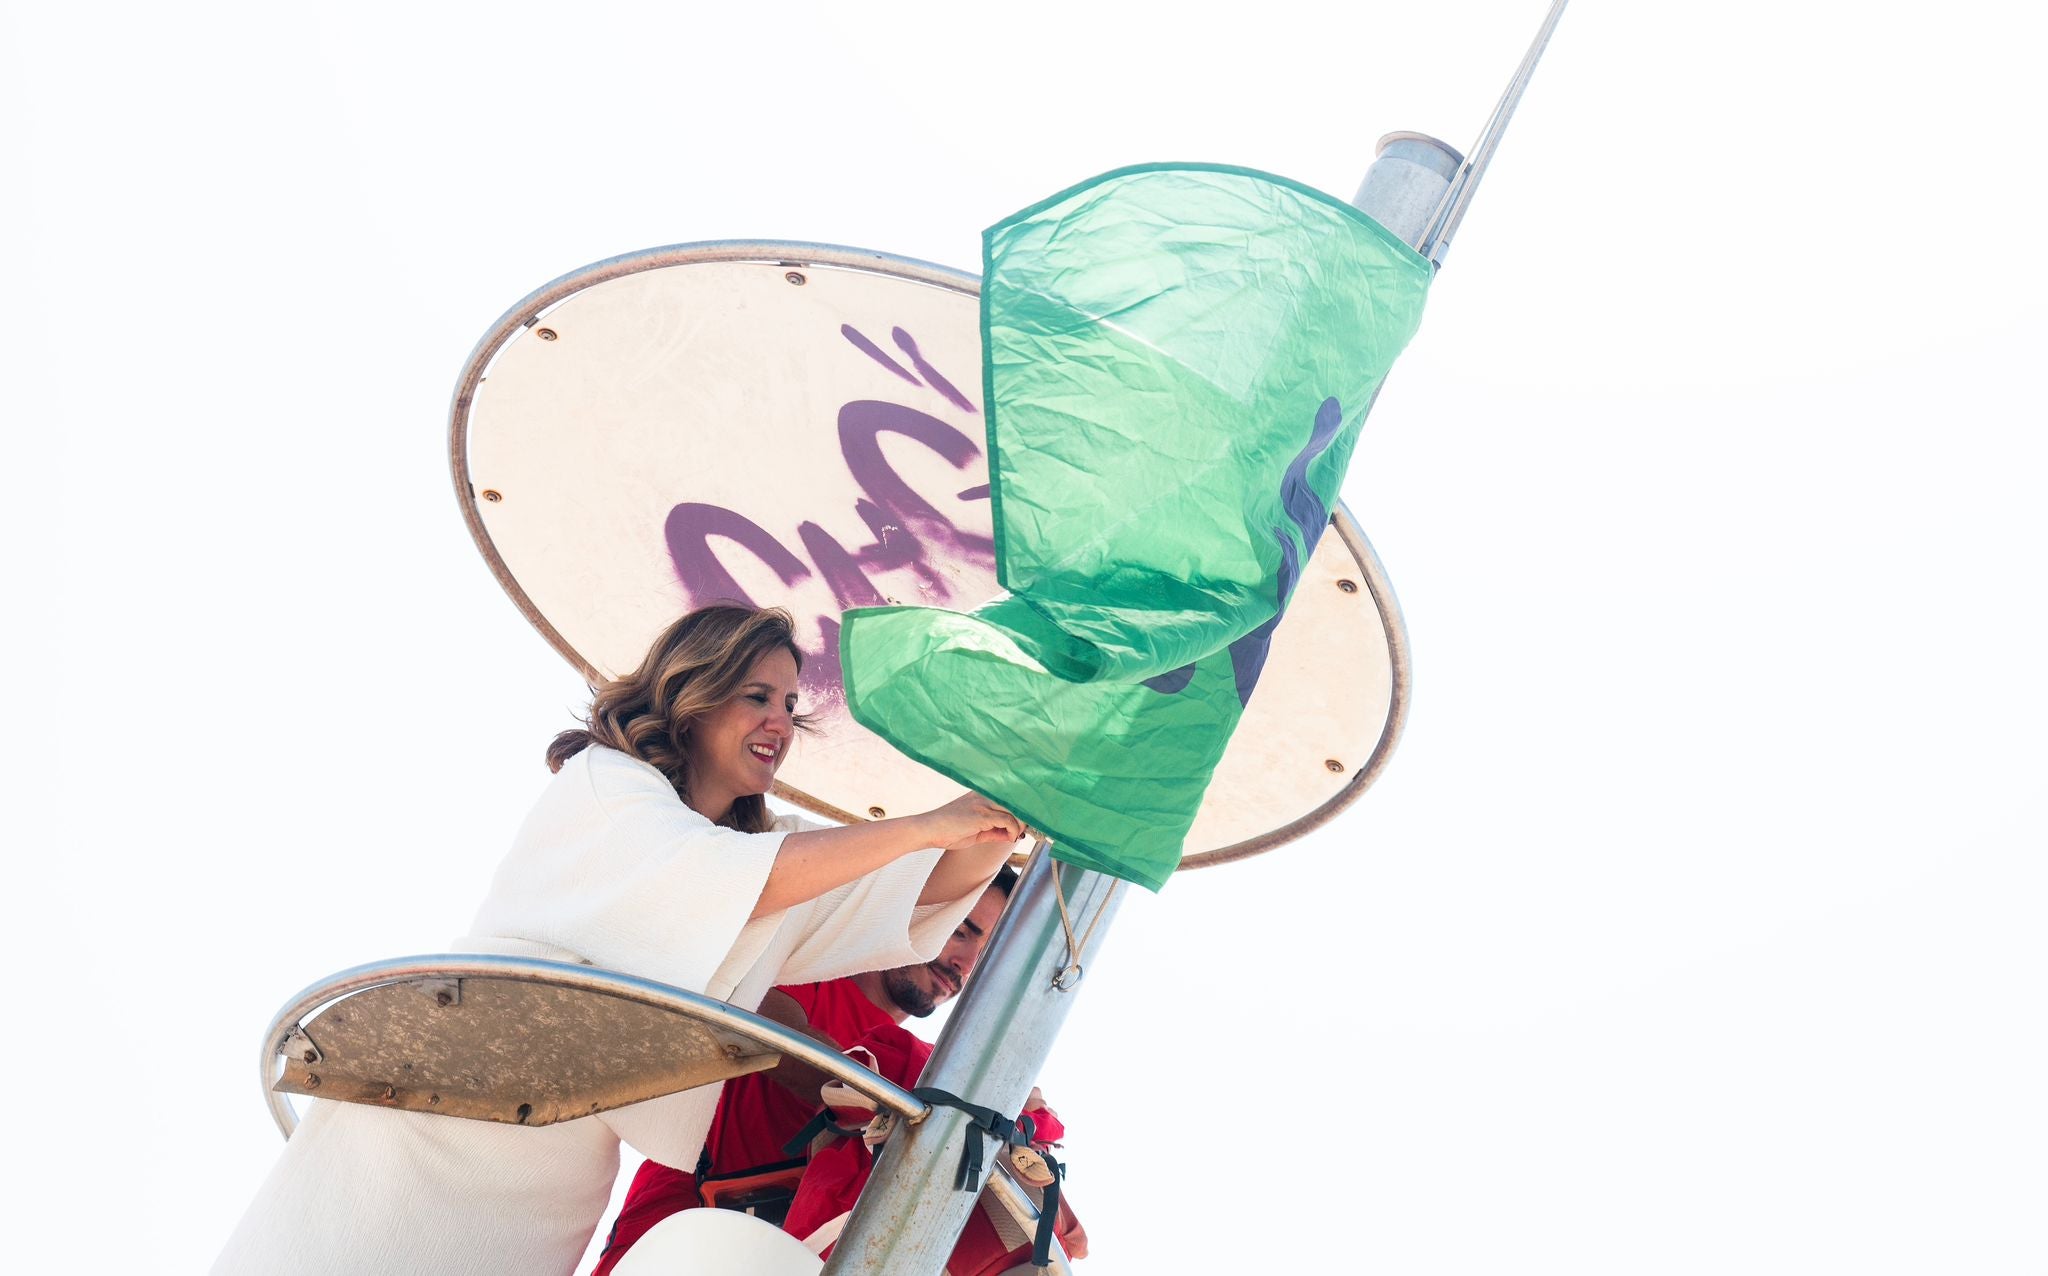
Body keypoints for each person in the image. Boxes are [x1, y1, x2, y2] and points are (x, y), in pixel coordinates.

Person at [215, 604, 1023, 1276]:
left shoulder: (762, 857)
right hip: (440, 1110)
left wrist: (1012, 788)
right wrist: (921, 825)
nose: (782, 721)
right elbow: (743, 877)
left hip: (558, 1156)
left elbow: (924, 892)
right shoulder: (605, 785)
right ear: (695, 694)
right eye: (757, 696)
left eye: (788, 704)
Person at [591, 867, 1017, 1276]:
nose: (964, 962)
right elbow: (767, 1028)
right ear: (912, 908)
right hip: (671, 1237)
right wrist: (902, 1097)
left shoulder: (922, 1069)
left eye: (984, 954)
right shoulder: (805, 970)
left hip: (785, 1257)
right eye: (961, 931)